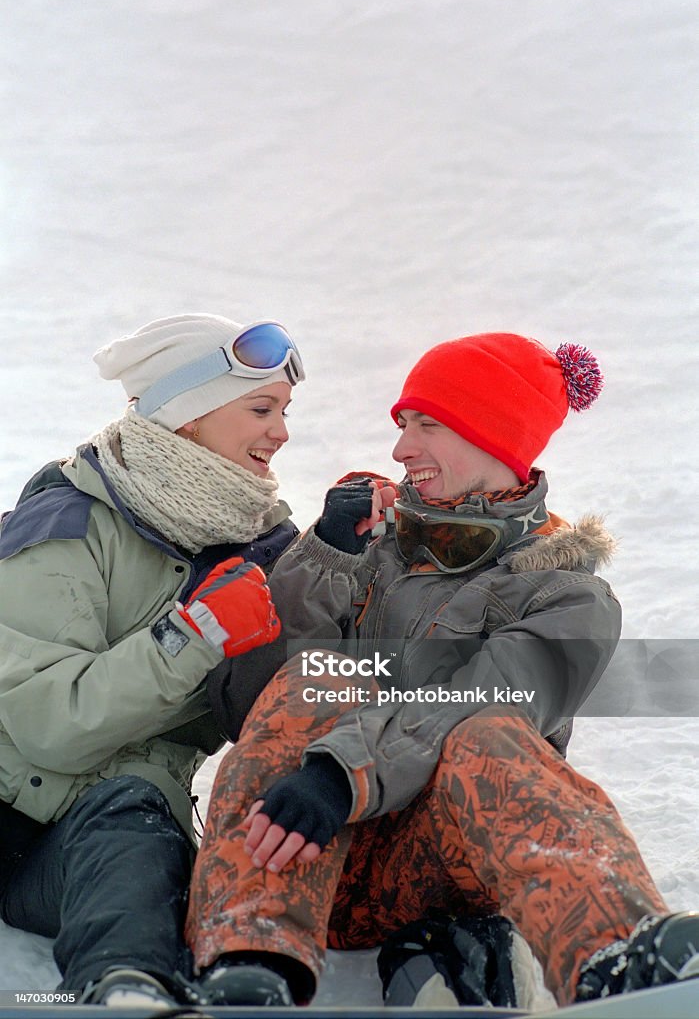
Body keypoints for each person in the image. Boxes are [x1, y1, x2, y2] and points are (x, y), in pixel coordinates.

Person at [185, 330, 699, 1009]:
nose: (400, 449)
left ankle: (616, 954)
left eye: (426, 425)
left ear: (493, 436)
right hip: (303, 856)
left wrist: (340, 770)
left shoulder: (565, 595)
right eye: (402, 426)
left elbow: (484, 699)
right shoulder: (367, 545)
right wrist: (323, 563)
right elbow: (243, 706)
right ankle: (249, 961)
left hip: (447, 867)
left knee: (489, 727)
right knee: (314, 678)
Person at [0, 313, 305, 1009]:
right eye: (261, 408)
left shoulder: (261, 548)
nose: (282, 431)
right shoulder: (65, 522)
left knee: (135, 821)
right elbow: (52, 724)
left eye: (285, 411)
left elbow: (293, 699)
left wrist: (342, 565)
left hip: (105, 836)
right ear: (189, 417)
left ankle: (126, 989)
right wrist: (192, 633)